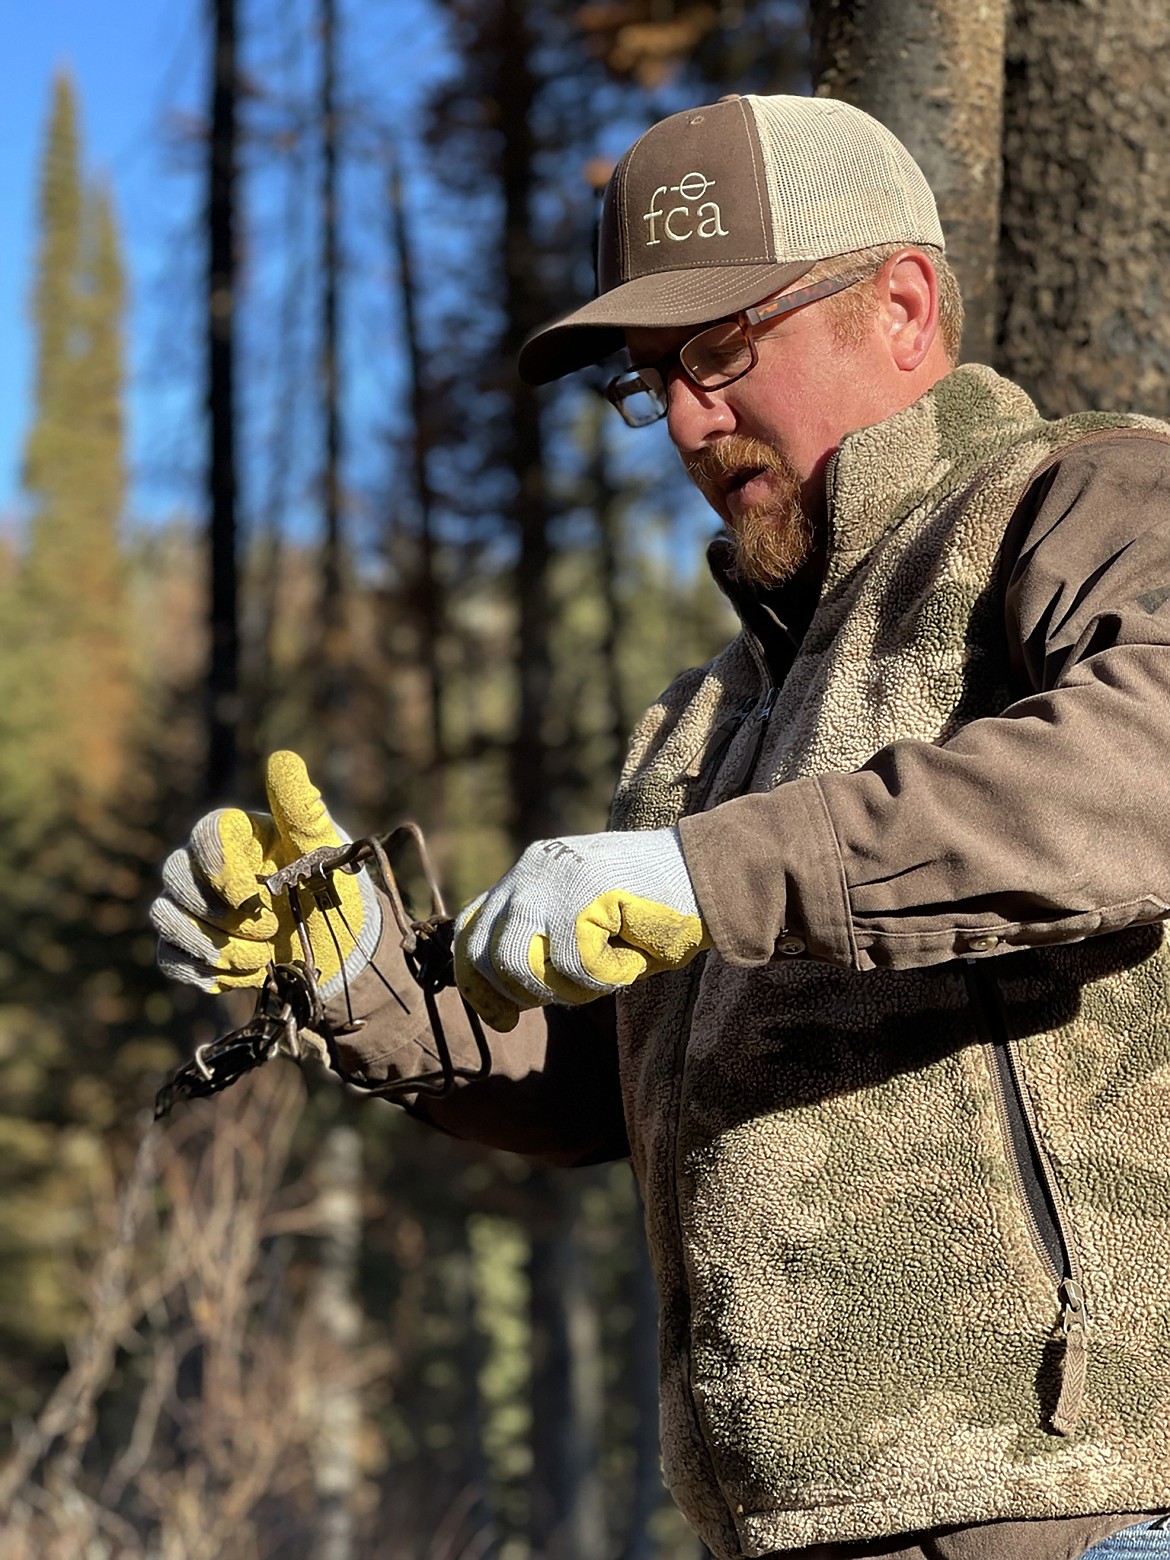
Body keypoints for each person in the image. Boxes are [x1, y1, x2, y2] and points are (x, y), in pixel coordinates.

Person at [151, 95, 1170, 1560]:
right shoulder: (709, 716)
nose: (688, 423)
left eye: (716, 353)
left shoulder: (1081, 496)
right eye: (650, 381)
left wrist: (715, 870)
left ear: (901, 304)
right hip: (787, 1523)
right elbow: (608, 1088)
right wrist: (364, 971)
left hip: (1095, 1512)